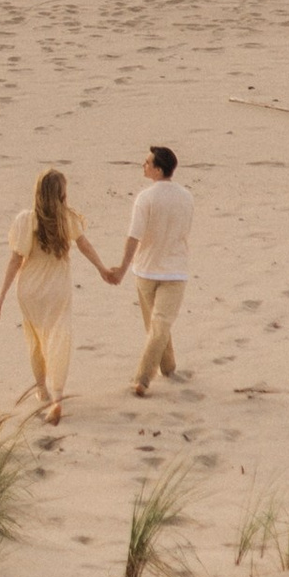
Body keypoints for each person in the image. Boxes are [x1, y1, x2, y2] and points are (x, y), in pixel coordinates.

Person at [0, 164, 111, 425]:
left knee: (35, 340)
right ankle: (57, 397)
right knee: (58, 339)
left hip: (29, 290)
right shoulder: (68, 219)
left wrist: (1, 296)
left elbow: (14, 260)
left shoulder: (25, 220)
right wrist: (102, 268)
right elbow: (84, 246)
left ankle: (41, 389)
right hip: (57, 291)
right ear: (61, 194)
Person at [108, 144, 196, 396]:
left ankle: (142, 378)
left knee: (158, 326)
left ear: (158, 169)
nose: (143, 166)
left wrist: (123, 268)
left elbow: (133, 237)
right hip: (158, 271)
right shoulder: (186, 196)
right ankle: (168, 367)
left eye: (147, 163)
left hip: (159, 271)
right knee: (158, 326)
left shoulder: (146, 198)